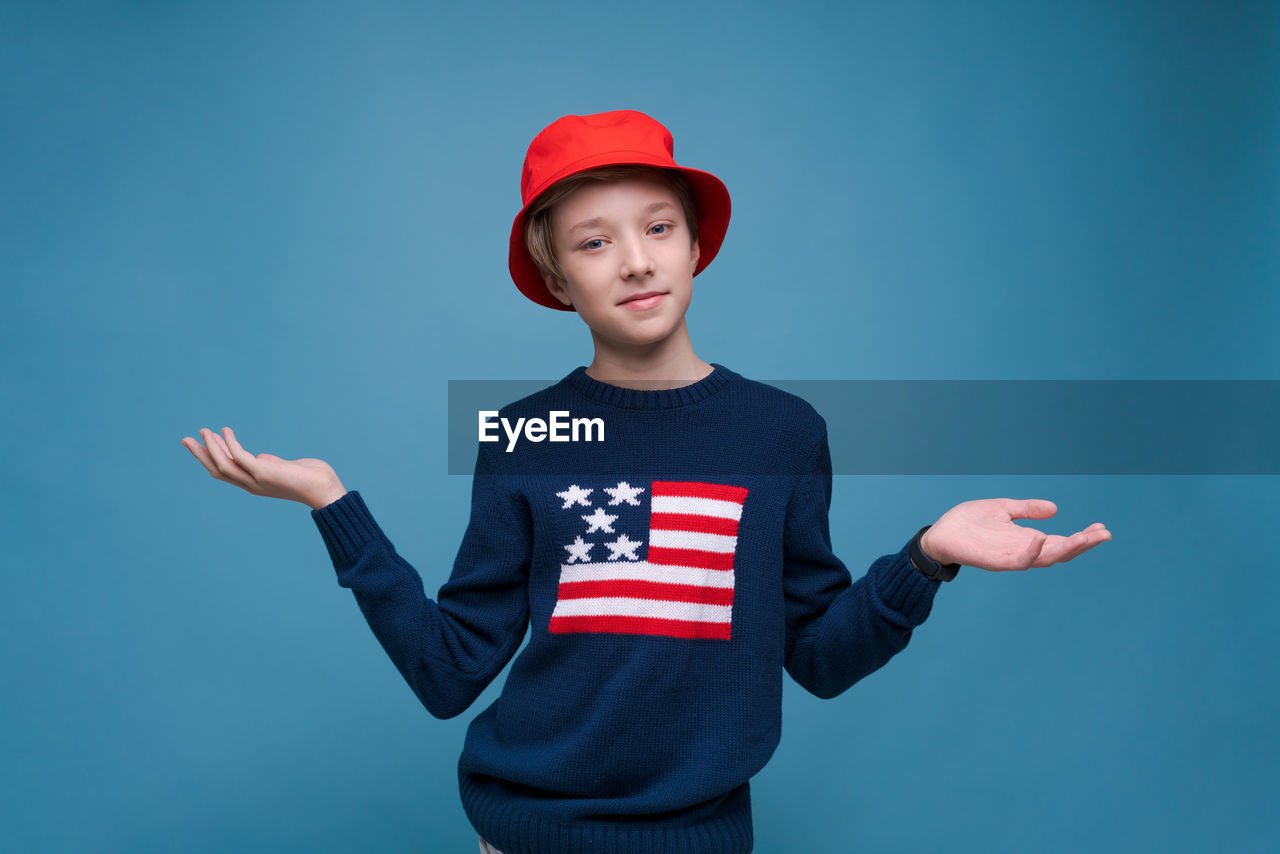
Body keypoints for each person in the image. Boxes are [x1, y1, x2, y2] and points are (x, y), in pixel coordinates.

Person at [181, 110, 1111, 854]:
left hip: (703, 841)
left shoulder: (782, 432)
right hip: (526, 837)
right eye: (593, 243)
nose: (634, 260)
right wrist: (332, 506)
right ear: (555, 278)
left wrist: (927, 557)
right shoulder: (528, 436)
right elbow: (447, 670)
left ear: (696, 244)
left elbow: (820, 659)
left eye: (657, 227)